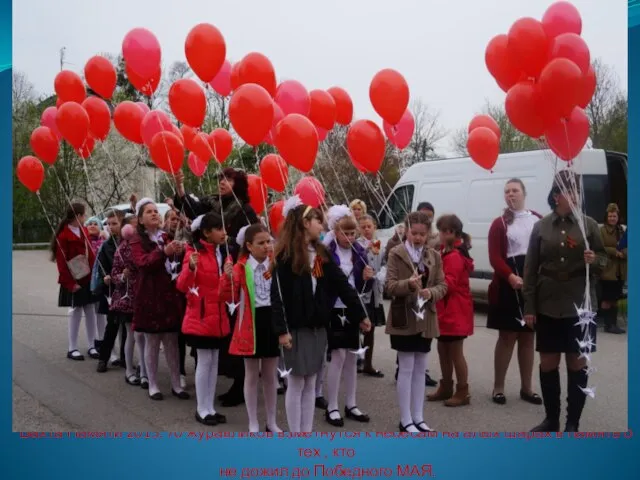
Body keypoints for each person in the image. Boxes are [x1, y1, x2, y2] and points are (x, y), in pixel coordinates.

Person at [271, 196, 371, 433]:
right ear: (306, 223)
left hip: (318, 328)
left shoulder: (321, 253)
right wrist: (282, 331)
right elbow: (277, 297)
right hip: (295, 329)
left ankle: (306, 432)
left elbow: (341, 285)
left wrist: (360, 315)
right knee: (296, 383)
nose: (322, 225)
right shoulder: (285, 256)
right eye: (318, 220)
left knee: (311, 381)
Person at [523, 171, 607, 432]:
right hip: (548, 301)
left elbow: (605, 261)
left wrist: (596, 261)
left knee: (577, 363)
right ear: (555, 195)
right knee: (548, 363)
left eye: (575, 190)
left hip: (579, 304)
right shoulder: (541, 226)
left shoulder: (589, 225)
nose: (571, 195)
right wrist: (529, 306)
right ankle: (551, 419)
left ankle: (572, 423)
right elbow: (530, 269)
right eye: (566, 190)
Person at [174, 167, 259, 406]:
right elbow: (195, 213)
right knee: (217, 343)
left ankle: (240, 384)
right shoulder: (213, 204)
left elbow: (253, 239)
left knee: (236, 331)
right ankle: (211, 401)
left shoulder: (243, 208)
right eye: (220, 178)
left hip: (236, 273)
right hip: (215, 278)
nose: (222, 182)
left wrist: (228, 243)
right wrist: (180, 188)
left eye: (228, 178)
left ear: (238, 183)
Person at [385, 211, 448, 432]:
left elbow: (443, 285)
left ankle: (419, 417)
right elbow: (390, 286)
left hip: (425, 317)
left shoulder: (434, 256)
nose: (418, 238)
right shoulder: (396, 253)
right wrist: (409, 285)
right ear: (407, 230)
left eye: (422, 234)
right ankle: (405, 419)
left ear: (428, 233)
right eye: (414, 233)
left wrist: (431, 292)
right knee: (406, 367)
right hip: (404, 316)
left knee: (421, 367)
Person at [486, 179, 543, 406]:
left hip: (533, 284)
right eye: (507, 191)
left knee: (528, 337)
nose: (511, 194)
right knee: (507, 337)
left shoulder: (538, 219)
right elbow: (495, 257)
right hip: (509, 284)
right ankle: (498, 387)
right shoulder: (499, 224)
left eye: (515, 190)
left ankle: (527, 388)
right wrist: (510, 276)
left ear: (523, 194)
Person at [223, 224, 283, 433]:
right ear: (249, 246)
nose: (267, 246)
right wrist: (227, 277)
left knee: (270, 375)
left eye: (268, 241)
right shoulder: (241, 267)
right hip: (251, 323)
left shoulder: (275, 264)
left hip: (272, 321)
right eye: (261, 243)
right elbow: (227, 296)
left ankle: (271, 421)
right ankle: (253, 421)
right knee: (251, 374)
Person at [129, 198, 190, 401]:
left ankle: (176, 384)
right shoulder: (137, 240)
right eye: (149, 212)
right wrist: (164, 252)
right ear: (140, 219)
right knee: (152, 341)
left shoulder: (166, 236)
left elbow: (174, 262)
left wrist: (178, 253)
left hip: (168, 296)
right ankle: (153, 384)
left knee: (172, 342)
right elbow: (143, 263)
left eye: (156, 211)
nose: (154, 214)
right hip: (149, 296)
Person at [177, 212, 230, 426]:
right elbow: (181, 285)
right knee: (204, 361)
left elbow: (225, 288)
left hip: (217, 316)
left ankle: (210, 407)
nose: (223, 233)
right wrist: (190, 267)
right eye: (218, 229)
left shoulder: (222, 252)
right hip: (201, 315)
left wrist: (228, 275)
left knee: (214, 362)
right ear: (207, 233)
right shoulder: (193, 252)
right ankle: (202, 408)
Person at [324, 206, 374, 427]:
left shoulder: (359, 253)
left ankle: (351, 403)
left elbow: (361, 285)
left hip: (354, 306)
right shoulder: (328, 253)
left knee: (354, 355)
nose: (349, 237)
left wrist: (367, 278)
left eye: (353, 233)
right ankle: (332, 405)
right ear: (335, 232)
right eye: (345, 233)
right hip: (336, 308)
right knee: (338, 357)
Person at [428, 214, 474, 407]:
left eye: (444, 231)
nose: (441, 234)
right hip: (446, 310)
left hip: (455, 310)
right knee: (442, 349)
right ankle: (446, 386)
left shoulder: (454, 255)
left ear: (453, 233)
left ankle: (463, 391)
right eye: (440, 230)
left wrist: (430, 287)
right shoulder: (444, 252)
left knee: (455, 352)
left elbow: (450, 284)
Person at [50, 203, 99, 361]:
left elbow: (90, 254)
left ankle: (92, 345)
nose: (85, 218)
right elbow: (61, 263)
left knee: (90, 310)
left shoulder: (84, 231)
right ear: (77, 216)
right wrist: (70, 283)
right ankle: (72, 347)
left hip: (87, 276)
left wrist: (94, 276)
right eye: (83, 215)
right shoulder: (63, 236)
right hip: (73, 279)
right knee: (75, 311)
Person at [110, 217, 145, 388]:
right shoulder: (121, 250)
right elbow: (115, 276)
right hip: (127, 299)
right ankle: (129, 370)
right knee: (131, 336)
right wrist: (124, 276)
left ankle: (144, 370)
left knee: (143, 336)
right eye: (132, 225)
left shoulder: (145, 244)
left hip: (144, 296)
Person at [93, 209, 127, 374]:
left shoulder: (129, 242)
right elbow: (102, 267)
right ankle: (103, 358)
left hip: (128, 289)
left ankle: (124, 358)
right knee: (112, 326)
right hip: (113, 291)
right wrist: (105, 276)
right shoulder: (106, 246)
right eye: (109, 224)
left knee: (127, 328)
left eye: (115, 223)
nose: (111, 227)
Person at [357, 214, 386, 377]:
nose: (367, 229)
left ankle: (368, 363)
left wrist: (382, 273)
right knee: (359, 327)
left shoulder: (381, 245)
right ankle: (356, 360)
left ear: (374, 226)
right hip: (362, 293)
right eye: (363, 227)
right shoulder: (357, 245)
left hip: (375, 292)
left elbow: (385, 263)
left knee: (371, 329)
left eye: (369, 226)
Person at [598, 203, 626, 334]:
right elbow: (600, 246)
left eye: (614, 216)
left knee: (615, 297)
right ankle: (607, 324)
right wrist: (615, 251)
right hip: (608, 269)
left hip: (620, 269)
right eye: (610, 216)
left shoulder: (622, 230)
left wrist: (623, 253)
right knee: (607, 298)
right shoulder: (602, 230)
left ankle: (613, 324)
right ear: (606, 217)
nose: (612, 219)